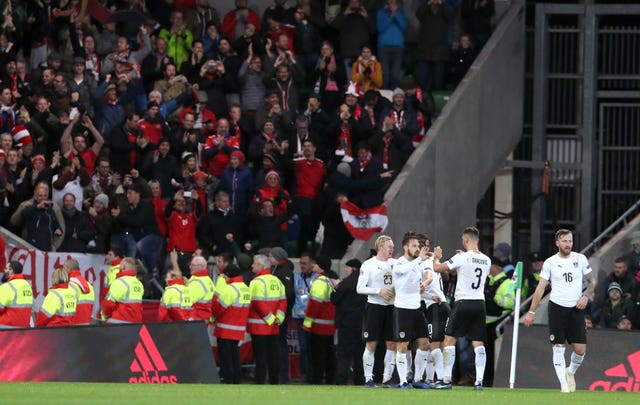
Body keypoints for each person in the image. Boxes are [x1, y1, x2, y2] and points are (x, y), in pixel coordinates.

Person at [524, 229, 596, 393]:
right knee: (558, 346)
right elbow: (541, 288)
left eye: (570, 241)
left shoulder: (580, 258)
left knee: (580, 350)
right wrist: (531, 311)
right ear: (557, 243)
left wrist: (585, 296)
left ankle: (569, 373)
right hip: (557, 308)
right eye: (564, 241)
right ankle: (564, 386)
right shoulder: (550, 262)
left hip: (576, 309)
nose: (568, 244)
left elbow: (592, 282)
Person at [432, 226, 492, 390]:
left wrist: (436, 258)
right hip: (479, 303)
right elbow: (469, 273)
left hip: (463, 302)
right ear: (477, 240)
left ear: (465, 240)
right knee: (478, 343)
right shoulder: (487, 260)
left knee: (449, 340)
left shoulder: (461, 257)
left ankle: (446, 380)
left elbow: (438, 268)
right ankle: (479, 381)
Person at [392, 232, 433, 389]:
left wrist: (424, 286)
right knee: (402, 345)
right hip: (403, 309)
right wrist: (420, 260)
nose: (417, 248)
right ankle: (403, 381)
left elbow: (421, 282)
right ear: (405, 247)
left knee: (425, 344)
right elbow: (403, 272)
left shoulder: (417, 265)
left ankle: (417, 379)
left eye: (418, 246)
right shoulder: (399, 263)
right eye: (414, 246)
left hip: (417, 309)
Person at [357, 235, 397, 388]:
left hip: (391, 308)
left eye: (392, 247)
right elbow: (360, 288)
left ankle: (387, 380)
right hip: (374, 307)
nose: (392, 250)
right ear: (380, 247)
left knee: (392, 344)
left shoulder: (395, 263)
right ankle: (368, 379)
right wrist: (378, 291)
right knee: (371, 343)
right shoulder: (368, 264)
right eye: (389, 247)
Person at [247, 254, 287, 384]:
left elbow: (257, 302)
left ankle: (260, 381)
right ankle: (274, 380)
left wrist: (269, 319)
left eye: (254, 263)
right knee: (273, 355)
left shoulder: (256, 282)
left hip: (259, 326)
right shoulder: (277, 280)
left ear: (260, 265)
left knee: (260, 357)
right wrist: (278, 318)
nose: (252, 266)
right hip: (274, 326)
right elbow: (283, 301)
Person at [417, 234, 450, 387]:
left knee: (433, 344)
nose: (425, 247)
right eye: (423, 244)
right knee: (432, 343)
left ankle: (443, 379)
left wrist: (427, 292)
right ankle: (431, 378)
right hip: (438, 304)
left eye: (427, 245)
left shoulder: (425, 263)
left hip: (435, 305)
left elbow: (427, 280)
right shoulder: (429, 260)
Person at [211, 263, 251, 384]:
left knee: (226, 357)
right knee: (235, 355)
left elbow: (219, 308)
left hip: (226, 328)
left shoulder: (230, 289)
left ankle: (228, 379)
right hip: (239, 328)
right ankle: (236, 379)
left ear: (228, 276)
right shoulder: (245, 288)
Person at [303, 254, 339, 384]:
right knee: (329, 355)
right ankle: (330, 379)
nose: (313, 265)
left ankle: (317, 380)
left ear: (321, 266)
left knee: (318, 355)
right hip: (330, 325)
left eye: (315, 263)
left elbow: (314, 305)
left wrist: (307, 322)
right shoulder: (334, 280)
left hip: (318, 325)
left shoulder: (319, 282)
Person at [331, 258, 366, 385]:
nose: (345, 270)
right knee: (360, 355)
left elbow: (334, 299)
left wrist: (334, 289)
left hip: (346, 324)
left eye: (347, 268)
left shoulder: (345, 283)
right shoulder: (365, 282)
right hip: (362, 324)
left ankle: (341, 380)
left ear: (352, 268)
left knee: (344, 355)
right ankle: (360, 380)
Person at [269, 246, 295, 384]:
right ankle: (279, 374)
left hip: (281, 315)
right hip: (280, 313)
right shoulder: (277, 270)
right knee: (278, 344)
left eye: (271, 256)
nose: (269, 258)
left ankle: (282, 375)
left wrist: (282, 311)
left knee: (279, 344)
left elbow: (288, 293)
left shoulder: (284, 271)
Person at [292, 252, 317, 382]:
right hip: (299, 317)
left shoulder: (318, 278)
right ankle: (305, 374)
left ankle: (313, 374)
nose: (302, 266)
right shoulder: (296, 276)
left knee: (312, 347)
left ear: (312, 264)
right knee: (303, 346)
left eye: (305, 263)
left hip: (313, 318)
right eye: (301, 263)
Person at [101, 257, 144, 324]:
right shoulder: (139, 284)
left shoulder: (119, 282)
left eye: (120, 265)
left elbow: (108, 304)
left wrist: (105, 317)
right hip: (135, 325)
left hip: (118, 323)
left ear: (123, 267)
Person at [158, 254, 192, 321]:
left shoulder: (172, 290)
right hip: (186, 324)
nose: (165, 280)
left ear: (173, 278)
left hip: (170, 325)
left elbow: (174, 309)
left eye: (167, 277)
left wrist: (183, 322)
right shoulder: (185, 288)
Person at [0, 261, 33, 329]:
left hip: (6, 328)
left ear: (11, 271)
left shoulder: (7, 286)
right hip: (23, 328)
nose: (4, 270)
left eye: (6, 269)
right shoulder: (27, 285)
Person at [64, 258, 95, 325]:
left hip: (71, 326)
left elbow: (66, 308)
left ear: (68, 269)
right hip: (85, 325)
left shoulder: (69, 284)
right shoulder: (89, 285)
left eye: (64, 268)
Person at [187, 255, 215, 322]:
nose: (190, 267)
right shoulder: (207, 279)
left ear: (201, 266)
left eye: (193, 265)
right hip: (206, 318)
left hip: (196, 318)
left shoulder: (196, 282)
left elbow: (186, 302)